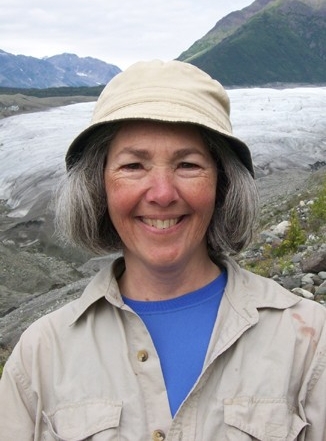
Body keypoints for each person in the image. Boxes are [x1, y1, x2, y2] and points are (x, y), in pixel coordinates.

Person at [0, 59, 325, 441]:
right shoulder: (40, 354)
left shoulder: (310, 342)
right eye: (133, 166)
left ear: (222, 184)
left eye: (188, 165)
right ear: (98, 186)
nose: (162, 194)